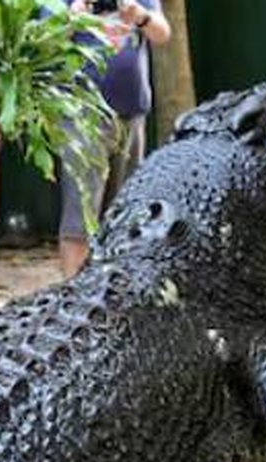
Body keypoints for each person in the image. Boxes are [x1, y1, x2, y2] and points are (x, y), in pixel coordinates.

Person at [58, 0, 172, 278]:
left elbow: (162, 34)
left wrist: (140, 16)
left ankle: (116, 297)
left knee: (128, 216)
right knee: (79, 220)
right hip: (81, 116)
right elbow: (42, 44)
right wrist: (73, 19)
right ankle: (74, 300)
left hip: (131, 115)